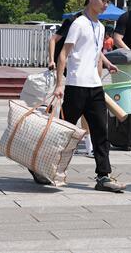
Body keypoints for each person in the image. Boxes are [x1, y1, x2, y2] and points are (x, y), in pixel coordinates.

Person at [54, 0, 126, 193]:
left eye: (108, 1)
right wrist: (60, 84)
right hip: (76, 86)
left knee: (100, 132)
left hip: (95, 87)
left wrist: (107, 62)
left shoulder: (101, 26)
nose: (106, 4)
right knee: (65, 131)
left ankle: (103, 176)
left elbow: (93, 50)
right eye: (103, 0)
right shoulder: (78, 24)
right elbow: (64, 54)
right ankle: (46, 166)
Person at [46, 11, 94, 159]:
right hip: (65, 66)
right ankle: (56, 144)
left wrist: (107, 63)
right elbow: (53, 39)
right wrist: (51, 60)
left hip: (81, 69)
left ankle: (89, 145)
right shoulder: (74, 22)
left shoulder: (94, 24)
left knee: (84, 108)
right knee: (69, 108)